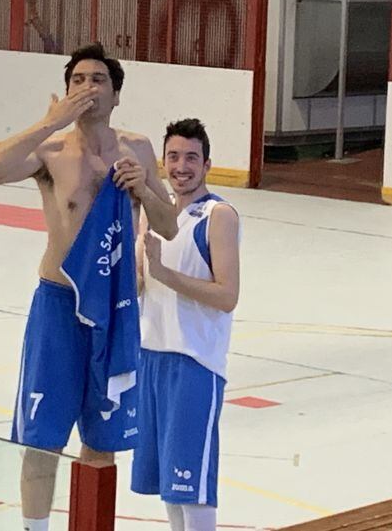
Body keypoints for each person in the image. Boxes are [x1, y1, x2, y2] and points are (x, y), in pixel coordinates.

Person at [0, 43, 179, 531]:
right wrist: (49, 121)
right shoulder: (49, 152)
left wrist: (146, 190)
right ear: (65, 91)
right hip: (59, 305)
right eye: (78, 80)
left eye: (98, 81)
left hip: (115, 307)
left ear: (116, 95)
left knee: (103, 438)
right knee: (43, 436)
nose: (88, 88)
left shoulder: (139, 150)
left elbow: (169, 226)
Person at [131, 118, 241, 531]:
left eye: (191, 157)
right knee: (170, 489)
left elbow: (227, 296)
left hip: (195, 364)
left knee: (192, 488)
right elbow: (141, 285)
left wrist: (166, 274)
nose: (182, 166)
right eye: (174, 157)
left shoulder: (218, 215)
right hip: (151, 359)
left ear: (207, 164)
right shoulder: (151, 217)